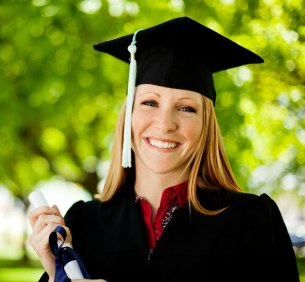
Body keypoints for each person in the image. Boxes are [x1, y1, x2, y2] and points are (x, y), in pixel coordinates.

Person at [28, 17, 300, 282]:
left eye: (186, 108)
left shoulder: (251, 222)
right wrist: (57, 274)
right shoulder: (83, 225)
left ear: (206, 124)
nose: (165, 124)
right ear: (128, 116)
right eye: (149, 103)